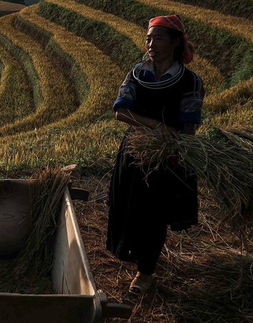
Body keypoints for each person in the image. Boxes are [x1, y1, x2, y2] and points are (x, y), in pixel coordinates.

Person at [107, 15, 204, 296]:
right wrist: (155, 125)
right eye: (148, 38)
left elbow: (189, 123)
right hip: (135, 152)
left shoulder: (189, 81)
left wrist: (180, 151)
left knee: (154, 214)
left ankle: (146, 272)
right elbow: (121, 111)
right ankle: (135, 255)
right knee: (127, 206)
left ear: (174, 43)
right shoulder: (137, 74)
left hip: (166, 157)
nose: (150, 44)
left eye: (157, 38)